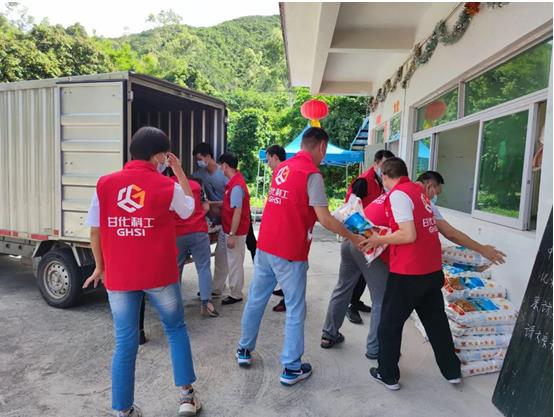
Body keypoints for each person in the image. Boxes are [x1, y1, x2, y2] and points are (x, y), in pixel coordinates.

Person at [83, 127, 202, 416]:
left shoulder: (105, 184)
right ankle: (187, 397)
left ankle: (123, 410)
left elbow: (95, 231)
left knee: (125, 342)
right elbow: (188, 210)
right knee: (175, 329)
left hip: (120, 277)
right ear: (159, 156)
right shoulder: (166, 186)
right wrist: (179, 171)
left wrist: (100, 266)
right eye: (165, 156)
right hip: (159, 275)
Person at [235, 127, 364, 386]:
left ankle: (244, 349)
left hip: (266, 246)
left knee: (256, 300)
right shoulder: (311, 174)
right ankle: (292, 367)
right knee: (295, 309)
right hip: (290, 251)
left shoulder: (282, 168)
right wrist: (354, 237)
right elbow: (324, 218)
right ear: (322, 147)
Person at [361, 157, 462, 391]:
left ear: (385, 176)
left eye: (382, 178)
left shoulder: (398, 194)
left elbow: (408, 234)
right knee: (437, 324)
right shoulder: (420, 193)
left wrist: (378, 239)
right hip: (431, 270)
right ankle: (452, 371)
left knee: (389, 325)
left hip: (408, 272)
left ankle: (387, 374)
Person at [320, 192, 389, 360]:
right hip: (365, 244)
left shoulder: (383, 196)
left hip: (350, 239)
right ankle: (375, 348)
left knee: (343, 287)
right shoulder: (403, 198)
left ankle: (329, 334)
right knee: (381, 298)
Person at [344, 149, 394, 324]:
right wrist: (354, 234)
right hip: (358, 233)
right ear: (375, 164)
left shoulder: (381, 181)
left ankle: (356, 301)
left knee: (365, 273)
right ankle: (351, 306)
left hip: (371, 234)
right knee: (356, 275)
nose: (386, 169)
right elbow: (350, 208)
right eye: (384, 165)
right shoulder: (364, 181)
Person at [416, 171, 506, 265]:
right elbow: (450, 233)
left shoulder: (406, 195)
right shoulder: (427, 204)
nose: (434, 198)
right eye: (436, 194)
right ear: (429, 186)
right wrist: (483, 250)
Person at [174, 176, 219, 317]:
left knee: (176, 269)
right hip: (198, 230)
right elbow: (206, 206)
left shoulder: (169, 185)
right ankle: (206, 304)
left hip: (177, 233)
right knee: (203, 267)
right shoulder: (196, 186)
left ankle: (175, 306)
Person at [213, 152, 251, 305]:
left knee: (234, 262)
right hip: (227, 228)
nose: (219, 168)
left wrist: (232, 235)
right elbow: (229, 205)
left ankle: (236, 293)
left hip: (234, 231)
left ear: (225, 166)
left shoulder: (236, 186)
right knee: (221, 258)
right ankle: (216, 287)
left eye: (220, 165)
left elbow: (237, 211)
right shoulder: (233, 183)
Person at [192, 143, 229, 299]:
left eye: (200, 159)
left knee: (225, 255)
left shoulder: (224, 174)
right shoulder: (199, 175)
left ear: (208, 156)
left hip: (228, 217)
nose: (198, 162)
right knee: (217, 255)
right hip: (213, 219)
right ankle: (215, 287)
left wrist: (212, 204)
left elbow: (232, 201)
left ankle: (222, 288)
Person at [265, 145, 288, 312]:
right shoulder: (278, 174)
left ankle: (287, 299)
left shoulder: (286, 174)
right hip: (278, 228)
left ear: (275, 157)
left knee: (286, 267)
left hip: (286, 229)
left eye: (268, 160)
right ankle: (284, 290)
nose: (268, 164)